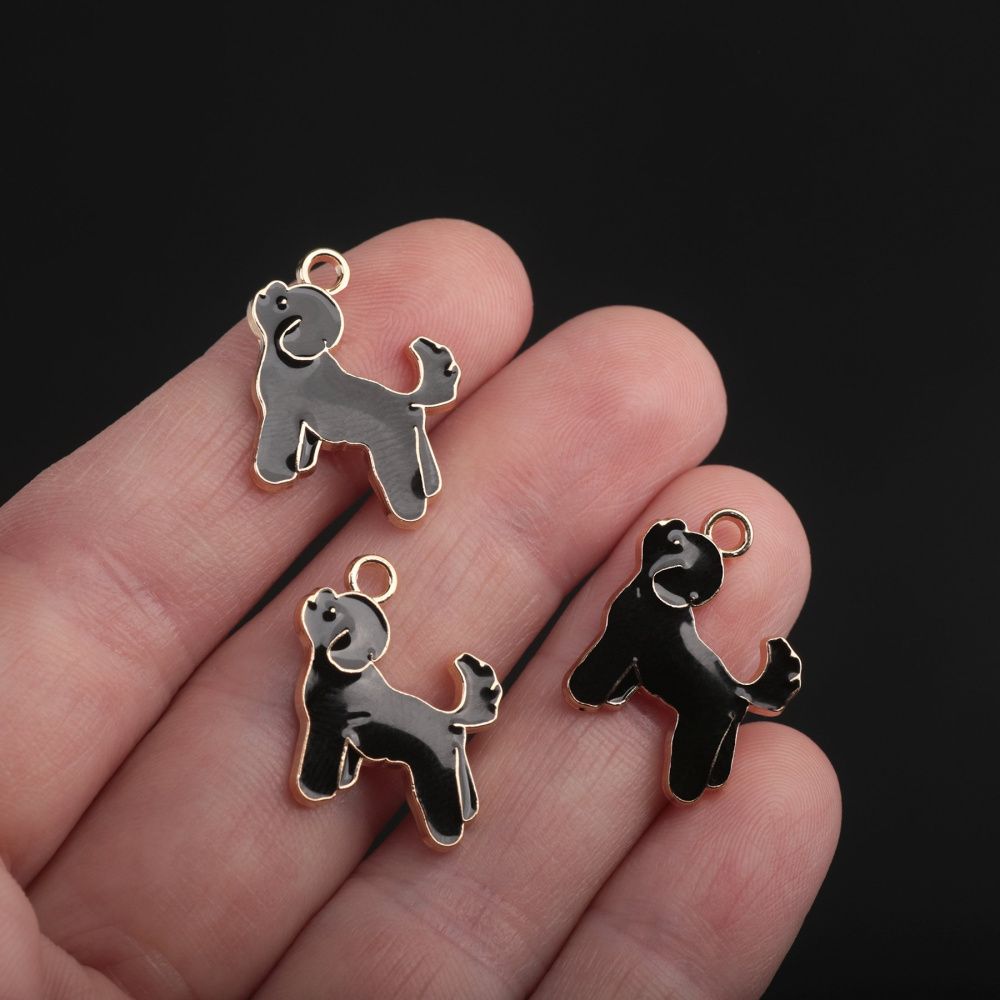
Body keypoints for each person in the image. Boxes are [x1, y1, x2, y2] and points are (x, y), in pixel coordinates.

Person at [0, 219, 840, 999]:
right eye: (285, 312)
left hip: (412, 547)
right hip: (425, 667)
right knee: (443, 729)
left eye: (334, 622)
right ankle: (458, 756)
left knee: (398, 458)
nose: (282, 320)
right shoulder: (285, 378)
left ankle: (495, 732)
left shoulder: (339, 668)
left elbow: (295, 430)